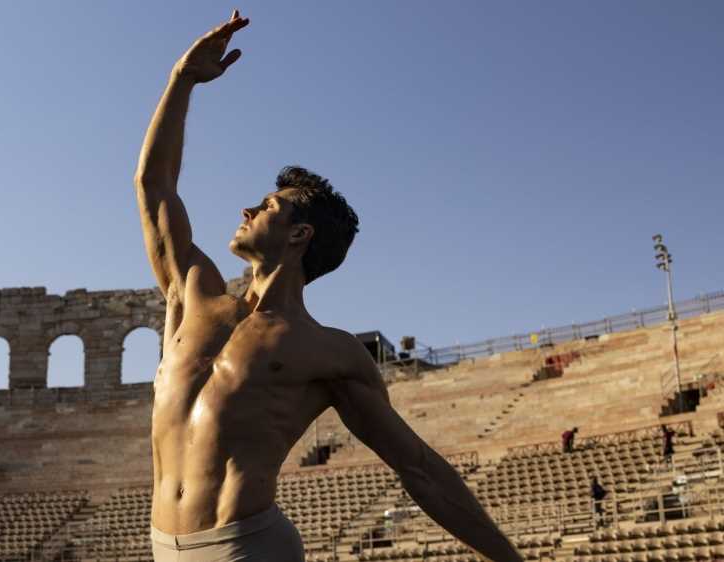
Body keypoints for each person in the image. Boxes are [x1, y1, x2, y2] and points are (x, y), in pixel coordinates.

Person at [134, 11, 522, 562]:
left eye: (268, 206)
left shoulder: (329, 352)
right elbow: (154, 186)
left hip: (245, 548)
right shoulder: (193, 293)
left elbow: (419, 467)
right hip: (162, 547)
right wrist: (182, 80)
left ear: (300, 234)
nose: (247, 209)